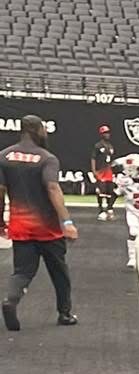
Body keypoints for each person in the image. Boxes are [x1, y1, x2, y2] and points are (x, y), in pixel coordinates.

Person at [1, 113, 78, 330]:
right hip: (48, 229)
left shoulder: (4, 156)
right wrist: (67, 222)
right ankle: (64, 313)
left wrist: (0, 222)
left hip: (21, 226)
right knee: (59, 272)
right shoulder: (47, 158)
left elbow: (0, 191)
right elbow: (52, 187)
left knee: (22, 272)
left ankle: (11, 300)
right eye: (44, 129)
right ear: (37, 130)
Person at [89, 124, 117, 221]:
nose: (107, 134)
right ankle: (101, 211)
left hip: (109, 171)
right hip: (100, 171)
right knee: (101, 191)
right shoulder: (98, 146)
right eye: (105, 133)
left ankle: (109, 209)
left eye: (108, 132)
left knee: (110, 191)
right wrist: (94, 171)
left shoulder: (110, 146)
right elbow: (93, 158)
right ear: (101, 134)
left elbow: (110, 160)